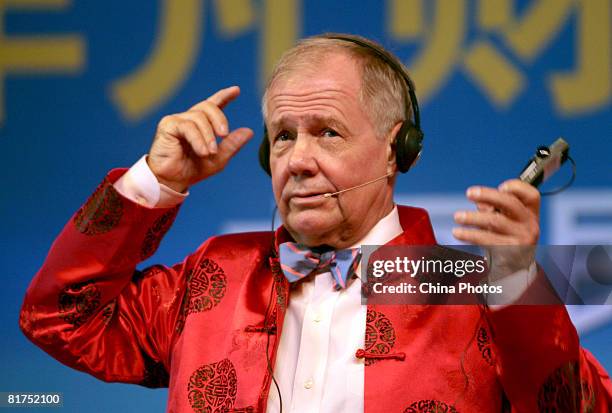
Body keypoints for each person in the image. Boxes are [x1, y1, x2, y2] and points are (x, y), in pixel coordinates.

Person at [20, 33, 611, 412]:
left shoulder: (467, 284)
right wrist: (155, 181)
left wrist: (513, 282)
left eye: (327, 132)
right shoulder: (212, 275)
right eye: (282, 136)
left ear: (395, 150)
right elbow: (58, 319)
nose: (298, 160)